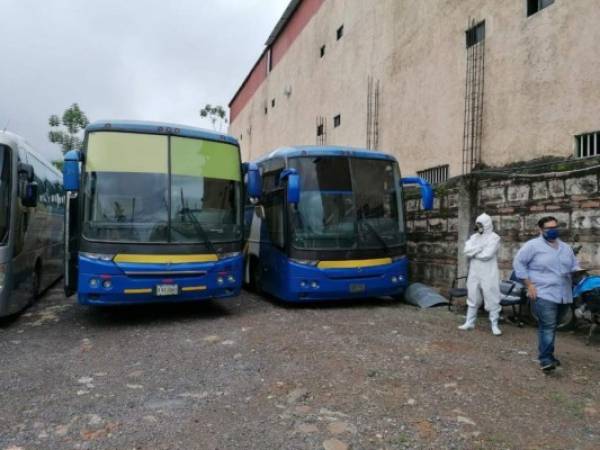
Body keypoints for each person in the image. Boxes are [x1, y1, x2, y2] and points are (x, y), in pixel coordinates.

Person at [513, 216, 580, 372]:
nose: (553, 230)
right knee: (548, 326)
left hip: (564, 293)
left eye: (555, 227)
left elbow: (574, 264)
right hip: (543, 292)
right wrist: (529, 285)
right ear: (541, 230)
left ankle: (547, 353)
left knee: (552, 325)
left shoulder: (565, 247)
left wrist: (577, 271)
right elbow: (518, 263)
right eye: (549, 228)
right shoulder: (532, 246)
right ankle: (546, 360)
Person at [458, 213, 503, 336]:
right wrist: (479, 249)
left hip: (489, 272)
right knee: (472, 295)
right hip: (474, 271)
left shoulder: (494, 238)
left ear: (487, 225)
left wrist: (474, 252)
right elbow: (466, 251)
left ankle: (494, 324)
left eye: (481, 224)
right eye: (477, 224)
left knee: (491, 295)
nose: (478, 227)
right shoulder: (474, 237)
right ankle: (469, 322)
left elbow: (487, 255)